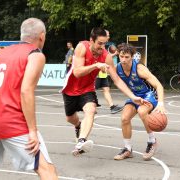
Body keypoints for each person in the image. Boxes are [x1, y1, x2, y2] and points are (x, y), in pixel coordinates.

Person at [0, 18, 58, 180]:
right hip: (10, 120)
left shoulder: (1, 54)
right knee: (46, 169)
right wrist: (32, 131)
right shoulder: (35, 55)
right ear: (42, 36)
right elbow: (26, 91)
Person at [61, 27, 150, 156]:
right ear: (91, 40)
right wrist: (95, 65)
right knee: (70, 118)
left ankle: (81, 141)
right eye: (99, 43)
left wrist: (133, 96)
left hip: (87, 89)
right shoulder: (82, 47)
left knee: (90, 110)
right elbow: (77, 72)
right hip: (70, 89)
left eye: (104, 44)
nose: (102, 47)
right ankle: (78, 125)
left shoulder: (106, 56)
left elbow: (117, 80)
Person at [113, 43, 166, 161]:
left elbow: (158, 86)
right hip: (134, 96)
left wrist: (161, 104)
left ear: (132, 57)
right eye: (121, 56)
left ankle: (152, 141)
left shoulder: (140, 69)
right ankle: (127, 149)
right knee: (124, 118)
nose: (124, 59)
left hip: (148, 94)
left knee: (142, 112)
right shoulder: (117, 68)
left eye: (127, 57)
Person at [95, 30, 123, 114]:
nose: (108, 36)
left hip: (103, 72)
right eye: (107, 35)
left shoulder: (105, 46)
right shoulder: (99, 46)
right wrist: (115, 54)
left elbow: (106, 57)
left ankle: (112, 107)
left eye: (109, 35)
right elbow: (103, 58)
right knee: (91, 90)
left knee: (106, 89)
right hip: (96, 72)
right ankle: (89, 105)